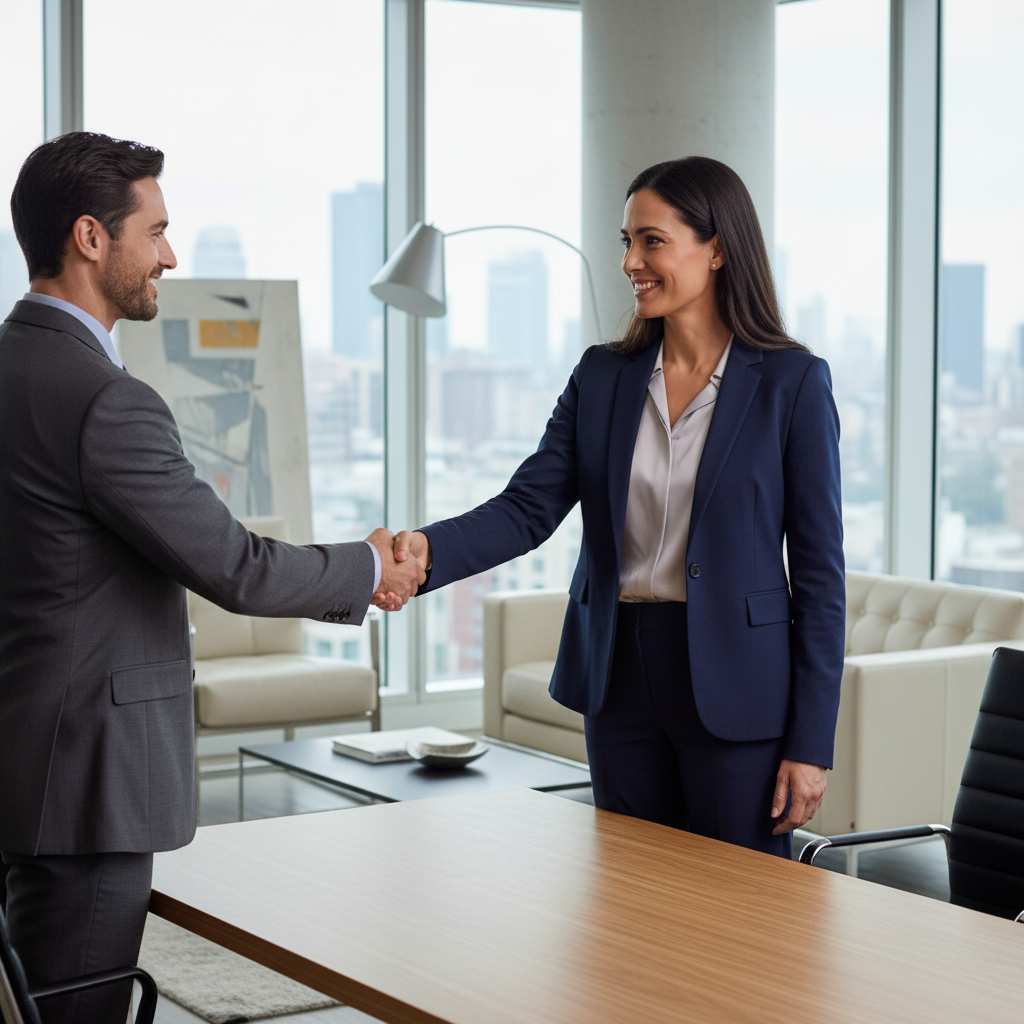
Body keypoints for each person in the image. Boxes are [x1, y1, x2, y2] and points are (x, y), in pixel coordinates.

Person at [0, 131, 424, 1024]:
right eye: (154, 231)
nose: (170, 254)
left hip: (26, 754)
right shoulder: (104, 399)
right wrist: (369, 565)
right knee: (73, 1004)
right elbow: (233, 565)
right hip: (89, 782)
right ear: (89, 238)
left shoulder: (10, 366)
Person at [391, 157, 845, 859]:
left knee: (741, 913)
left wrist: (811, 743)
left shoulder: (792, 384)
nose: (631, 261)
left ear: (717, 248)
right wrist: (426, 551)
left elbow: (820, 578)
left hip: (736, 680)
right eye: (625, 241)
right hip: (620, 675)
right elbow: (528, 506)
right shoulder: (603, 376)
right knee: (629, 901)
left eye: (652, 241)